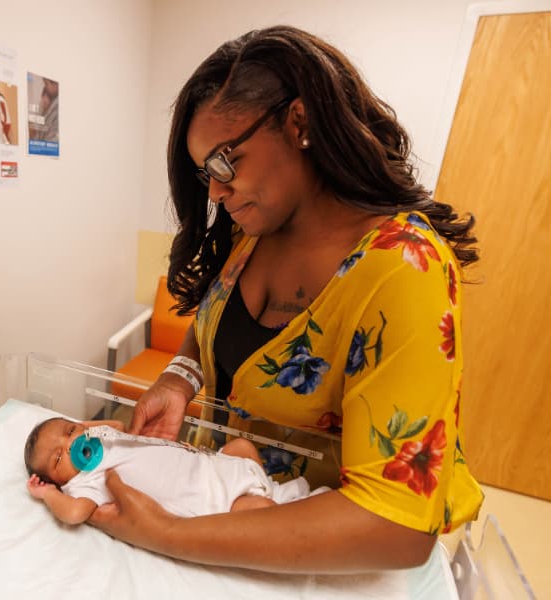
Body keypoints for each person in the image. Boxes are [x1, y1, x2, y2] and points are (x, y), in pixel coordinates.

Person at [88, 25, 484, 573]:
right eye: (206, 172)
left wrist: (169, 532)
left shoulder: (403, 267)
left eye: (226, 161)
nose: (215, 191)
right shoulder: (249, 232)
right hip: (219, 512)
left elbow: (396, 525)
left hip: (316, 561)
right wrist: (180, 377)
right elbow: (212, 334)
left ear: (299, 122)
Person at [24, 417, 320, 525]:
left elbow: (119, 427)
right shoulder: (85, 484)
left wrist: (81, 430)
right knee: (260, 510)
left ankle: (269, 488)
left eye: (69, 431)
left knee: (241, 446)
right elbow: (74, 513)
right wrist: (48, 495)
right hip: (213, 499)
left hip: (211, 466)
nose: (71, 443)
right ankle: (283, 510)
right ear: (59, 481)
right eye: (58, 457)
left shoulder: (101, 440)